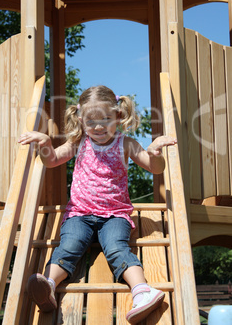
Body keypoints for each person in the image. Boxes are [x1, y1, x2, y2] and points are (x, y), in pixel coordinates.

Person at [18, 85, 177, 324]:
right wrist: (45, 144)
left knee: (116, 248)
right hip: (80, 213)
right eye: (91, 122)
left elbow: (155, 169)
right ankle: (48, 286)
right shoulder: (77, 142)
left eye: (106, 119)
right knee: (69, 246)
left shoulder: (127, 144)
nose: (99, 127)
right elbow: (52, 161)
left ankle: (143, 291)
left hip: (114, 215)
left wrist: (154, 153)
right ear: (81, 121)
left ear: (118, 116)